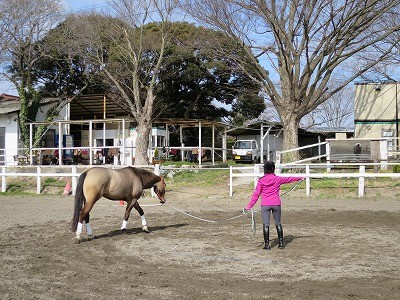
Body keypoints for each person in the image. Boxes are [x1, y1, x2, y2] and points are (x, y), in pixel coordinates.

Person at [244, 161, 303, 250]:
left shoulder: (261, 181)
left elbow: (256, 195)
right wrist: (301, 177)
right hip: (276, 203)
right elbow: (289, 179)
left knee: (266, 224)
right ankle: (281, 243)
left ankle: (267, 245)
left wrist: (249, 206)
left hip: (265, 205)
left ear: (265, 169)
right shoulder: (277, 179)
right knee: (278, 223)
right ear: (273, 169)